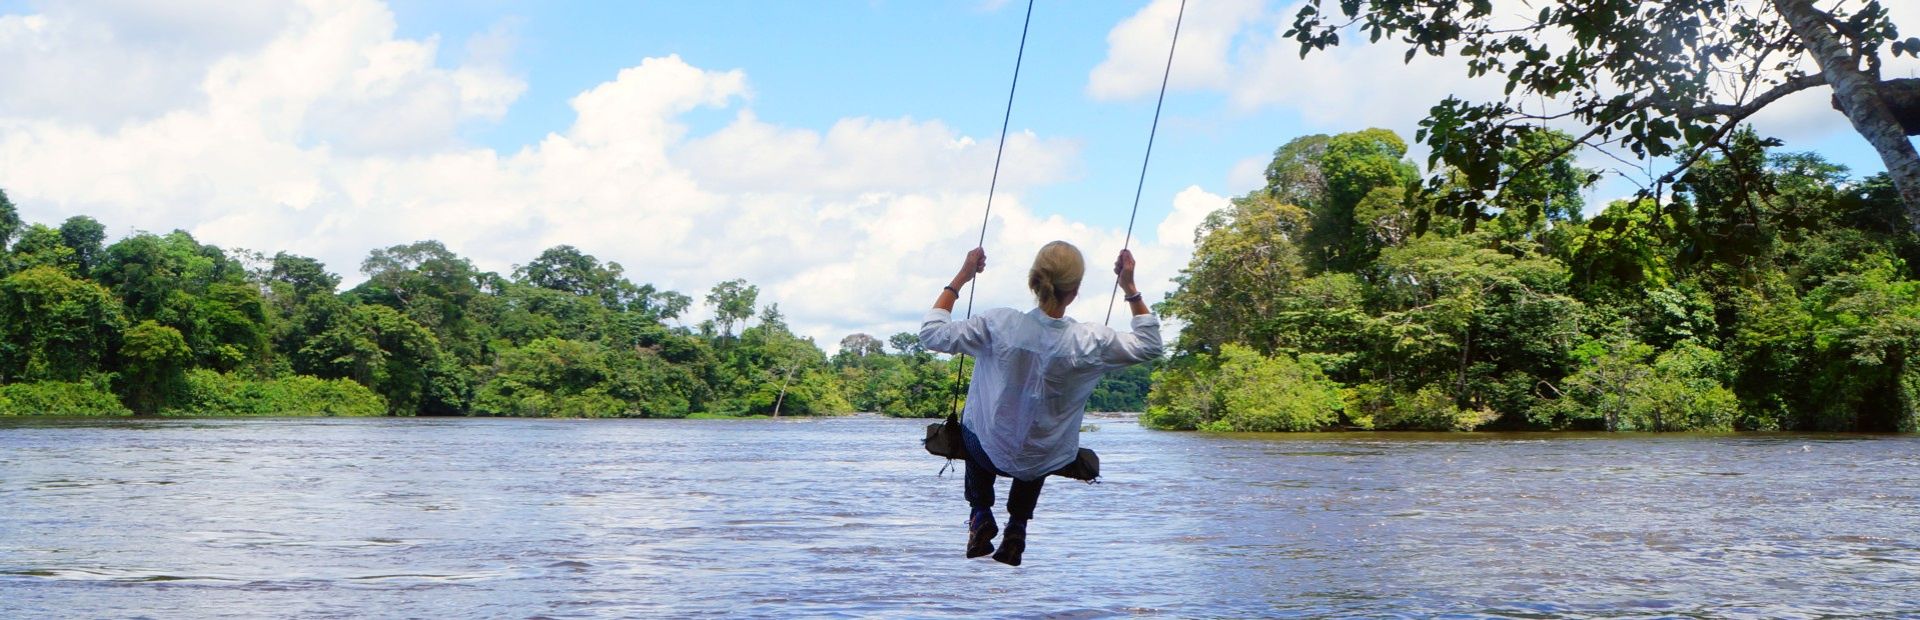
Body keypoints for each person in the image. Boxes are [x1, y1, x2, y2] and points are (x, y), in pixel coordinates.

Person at [920, 241, 1163, 566]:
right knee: (1035, 448)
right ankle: (1017, 527)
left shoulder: (998, 324)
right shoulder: (1091, 340)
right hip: (1047, 457)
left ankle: (979, 513)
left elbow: (931, 333)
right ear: (1074, 291)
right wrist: (1130, 288)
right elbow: (1150, 346)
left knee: (973, 425)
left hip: (988, 452)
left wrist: (962, 277)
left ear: (1033, 281)